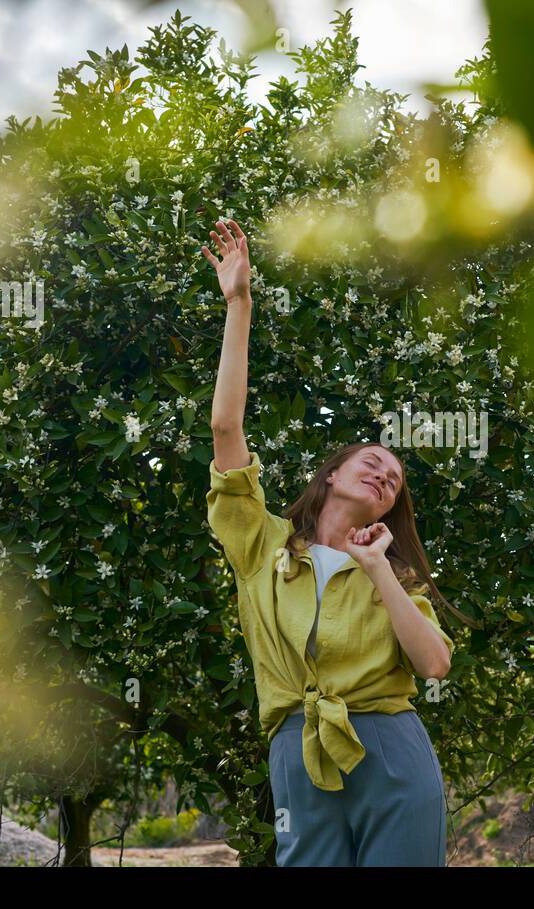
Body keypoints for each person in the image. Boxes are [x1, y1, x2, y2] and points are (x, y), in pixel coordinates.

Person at [201, 217, 472, 866]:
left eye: (395, 480)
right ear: (330, 475)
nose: (385, 472)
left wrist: (378, 567)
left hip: (392, 750)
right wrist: (239, 304)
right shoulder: (259, 542)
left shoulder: (391, 572)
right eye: (372, 460)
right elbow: (223, 424)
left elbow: (434, 662)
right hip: (297, 750)